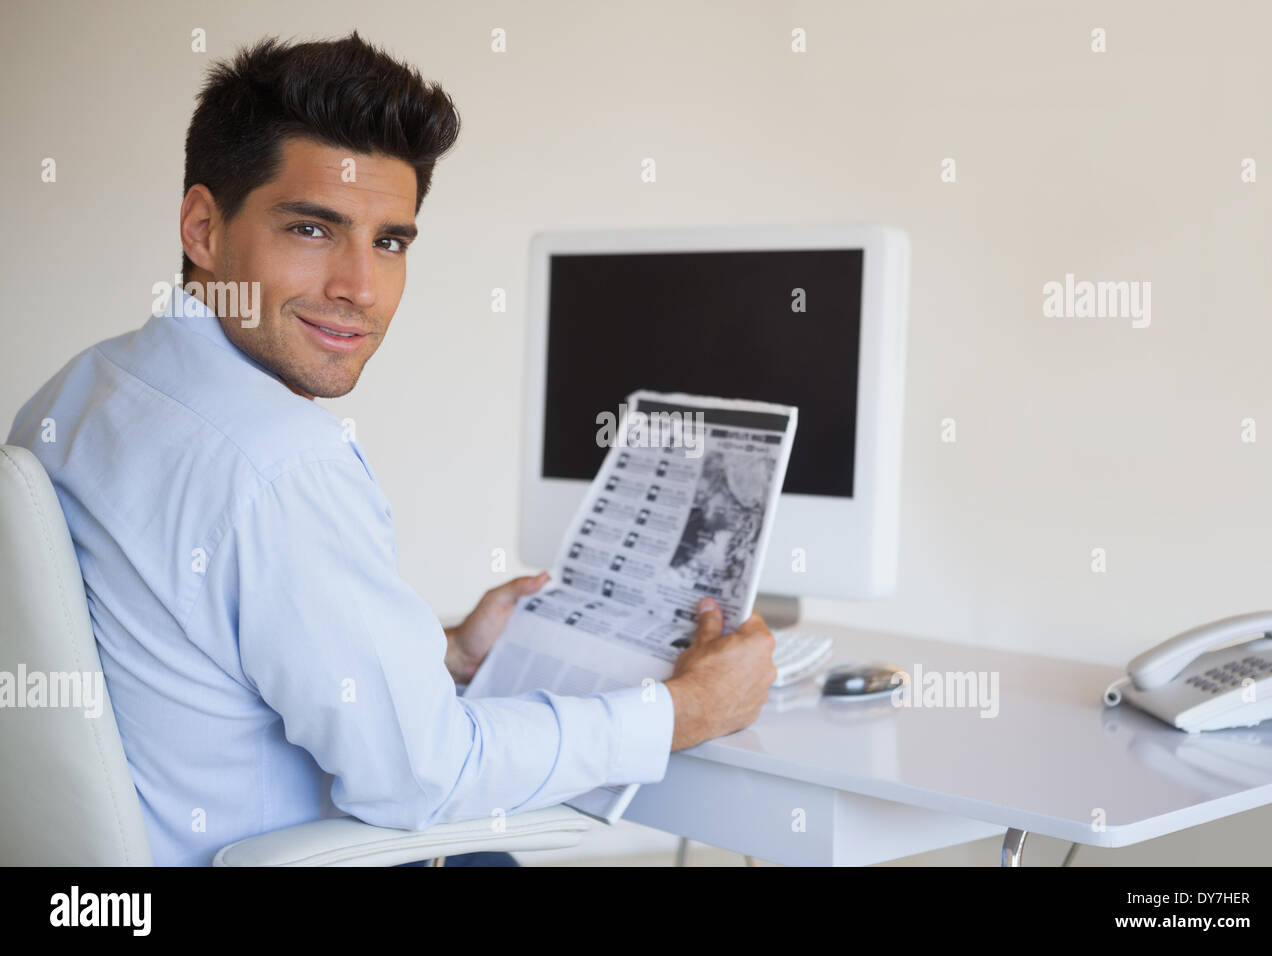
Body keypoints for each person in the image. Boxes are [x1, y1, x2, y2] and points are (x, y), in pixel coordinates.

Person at [6, 32, 776, 867]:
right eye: (311, 228)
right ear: (202, 226)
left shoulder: (78, 393)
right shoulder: (280, 466)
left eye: (389, 242)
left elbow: (201, 655)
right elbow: (421, 779)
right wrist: (687, 709)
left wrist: (445, 651)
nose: (359, 289)